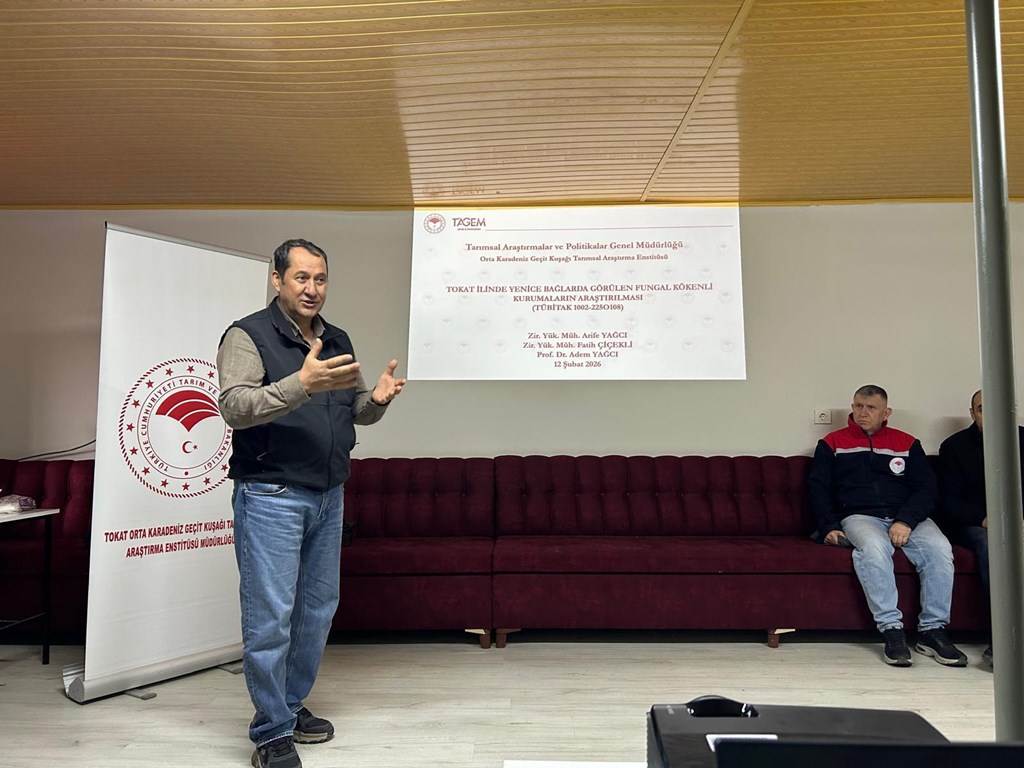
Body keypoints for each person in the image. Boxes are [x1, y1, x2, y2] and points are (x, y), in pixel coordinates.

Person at [218, 238, 406, 768]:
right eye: (301, 277)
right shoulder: (247, 335)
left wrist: (378, 400)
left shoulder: (336, 338)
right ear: (277, 279)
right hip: (271, 494)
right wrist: (299, 384)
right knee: (270, 617)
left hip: (329, 493)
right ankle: (271, 732)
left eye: (320, 279)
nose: (312, 288)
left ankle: (290, 704)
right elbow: (234, 406)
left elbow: (353, 409)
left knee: (317, 610)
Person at [808, 384, 967, 668]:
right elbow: (818, 489)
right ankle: (892, 630)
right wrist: (829, 526)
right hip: (859, 516)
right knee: (873, 548)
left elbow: (927, 489)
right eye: (858, 406)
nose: (862, 412)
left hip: (907, 517)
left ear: (886, 412)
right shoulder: (832, 443)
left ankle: (932, 631)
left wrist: (905, 520)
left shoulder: (907, 443)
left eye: (871, 408)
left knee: (939, 548)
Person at [938, 389, 1024, 669]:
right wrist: (986, 519)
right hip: (974, 525)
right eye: (983, 409)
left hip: (1019, 522)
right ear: (973, 413)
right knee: (993, 544)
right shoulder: (954, 447)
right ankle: (1004, 641)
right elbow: (948, 502)